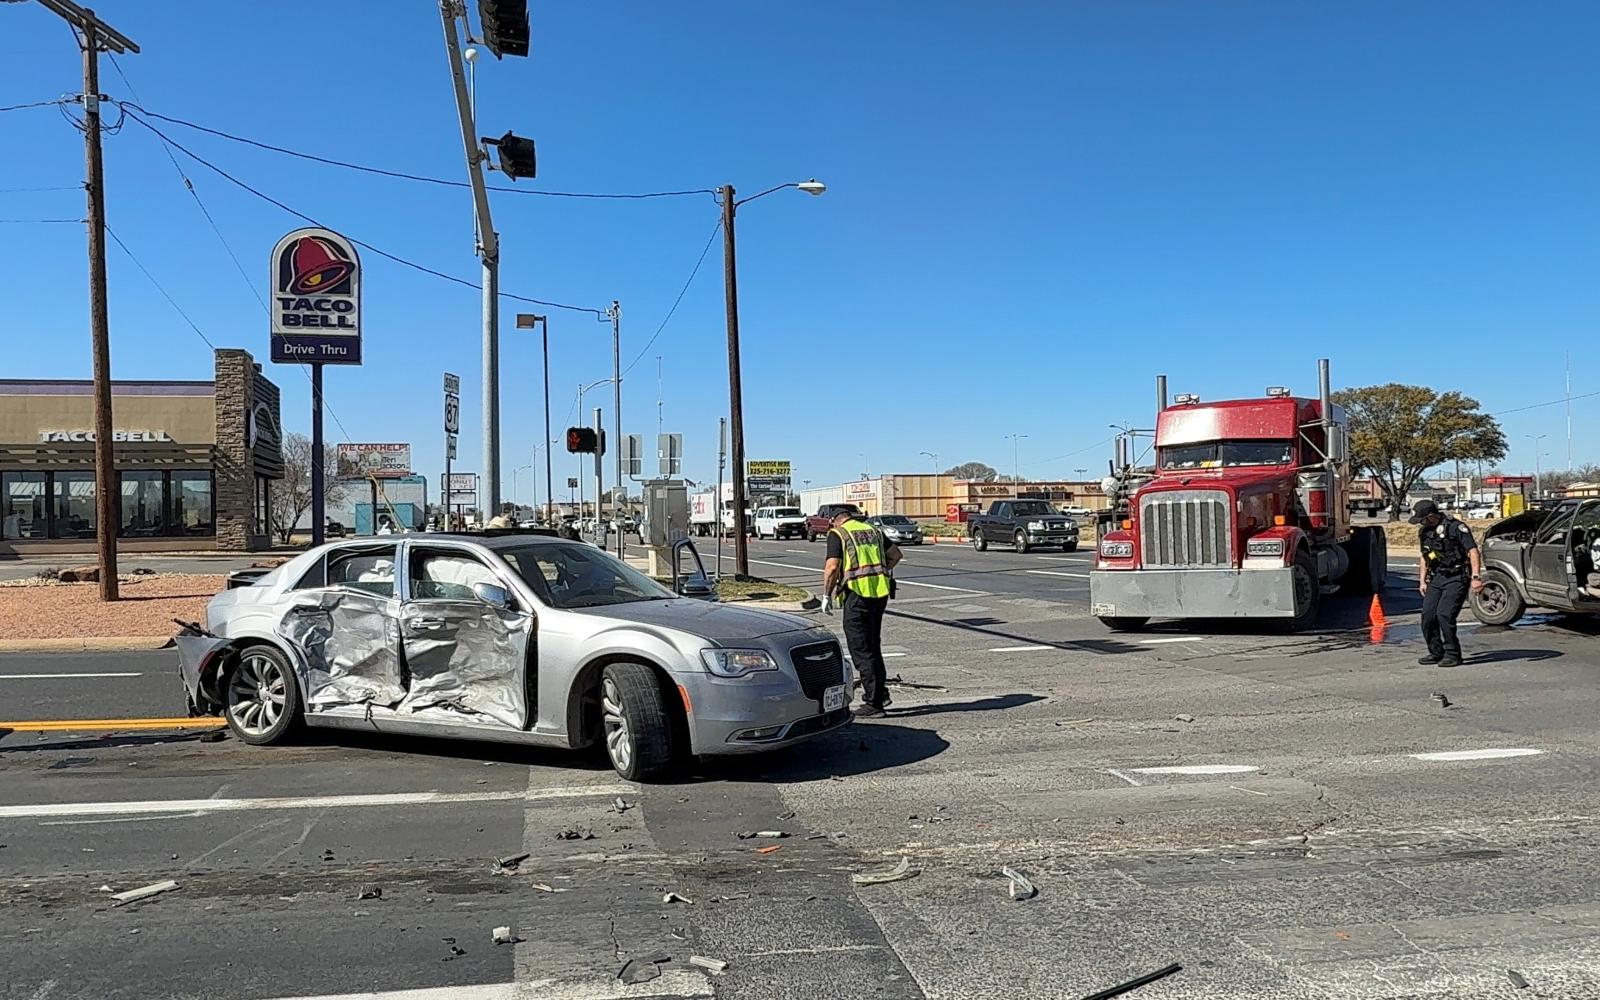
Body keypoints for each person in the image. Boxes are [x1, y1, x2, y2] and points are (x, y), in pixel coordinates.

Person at [822, 508, 902, 717]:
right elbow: (895, 555)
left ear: (835, 521)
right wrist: (880, 573)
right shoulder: (872, 530)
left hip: (856, 595)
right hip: (879, 594)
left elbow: (832, 567)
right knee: (873, 646)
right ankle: (880, 694)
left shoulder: (838, 534)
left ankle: (874, 703)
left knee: (861, 649)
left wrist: (826, 595)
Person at [1411, 498, 1483, 668]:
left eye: (1421, 519)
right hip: (1437, 577)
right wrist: (1422, 580)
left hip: (1457, 577)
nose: (1420, 523)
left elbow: (1472, 551)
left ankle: (1452, 654)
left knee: (1444, 615)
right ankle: (1436, 652)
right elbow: (1425, 556)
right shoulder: (1424, 532)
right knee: (1428, 616)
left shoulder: (1456, 527)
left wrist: (1476, 577)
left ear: (1430, 516)